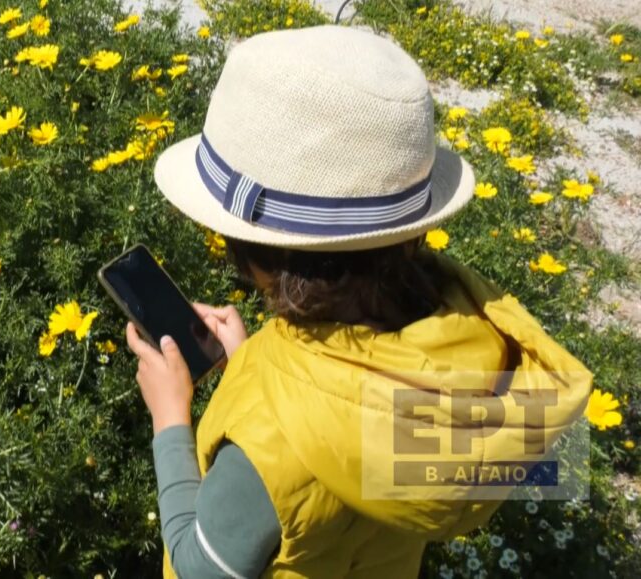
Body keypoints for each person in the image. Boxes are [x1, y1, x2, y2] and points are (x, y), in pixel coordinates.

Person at [124, 25, 592, 578]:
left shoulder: (268, 440)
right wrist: (256, 364)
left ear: (252, 254)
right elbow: (350, 421)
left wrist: (171, 419)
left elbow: (202, 570)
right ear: (411, 233)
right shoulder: (481, 341)